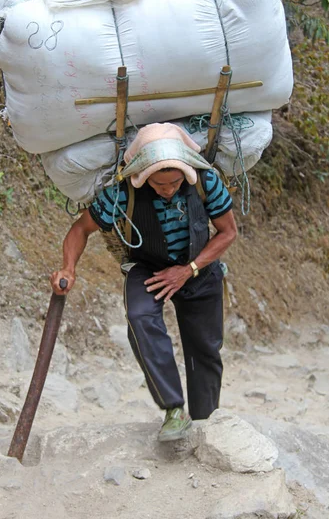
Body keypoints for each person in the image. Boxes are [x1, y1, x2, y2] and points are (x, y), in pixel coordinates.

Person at [51, 122, 237, 441]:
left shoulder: (207, 182)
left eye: (175, 183)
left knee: (204, 347)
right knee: (139, 317)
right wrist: (68, 268)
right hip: (148, 266)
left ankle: (205, 423)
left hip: (198, 265)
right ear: (143, 175)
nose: (168, 190)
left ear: (186, 174)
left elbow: (228, 232)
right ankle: (174, 410)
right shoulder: (121, 195)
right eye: (159, 184)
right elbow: (80, 229)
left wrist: (188, 269)